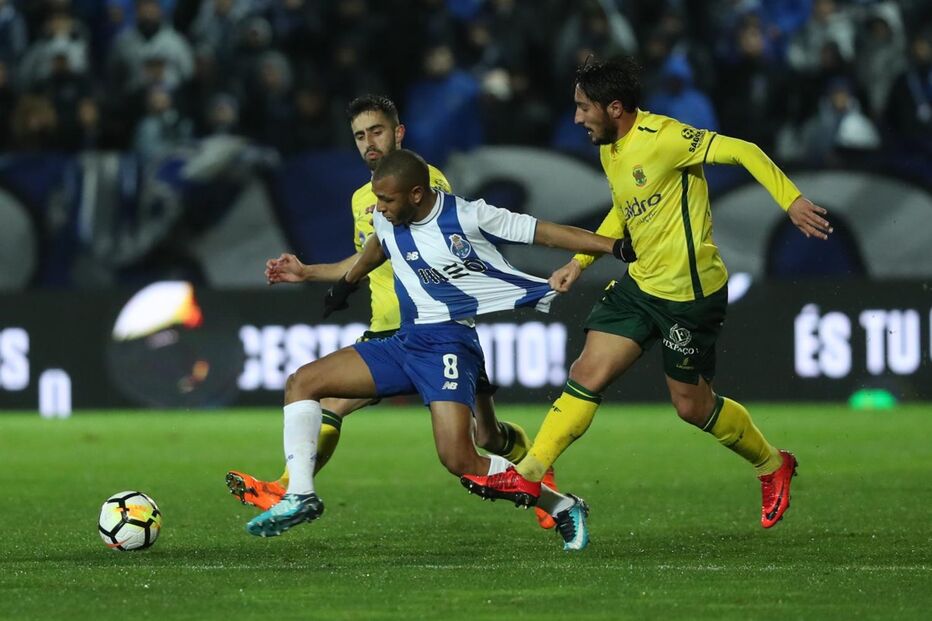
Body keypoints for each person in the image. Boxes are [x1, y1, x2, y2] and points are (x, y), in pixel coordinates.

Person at [462, 56, 833, 531]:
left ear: (614, 107)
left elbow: (744, 151)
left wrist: (792, 200)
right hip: (641, 284)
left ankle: (771, 465)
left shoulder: (667, 139)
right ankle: (530, 475)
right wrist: (580, 261)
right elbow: (625, 209)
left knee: (692, 406)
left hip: (688, 295)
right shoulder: (610, 147)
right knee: (587, 371)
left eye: (582, 107)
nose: (576, 118)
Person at [245, 148, 636, 550]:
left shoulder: (467, 215)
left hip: (448, 344)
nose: (378, 208)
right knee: (302, 382)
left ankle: (562, 506)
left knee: (461, 460)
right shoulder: (387, 215)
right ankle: (301, 496)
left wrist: (613, 247)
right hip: (404, 342)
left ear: (417, 194)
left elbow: (542, 231)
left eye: (387, 199)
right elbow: (378, 245)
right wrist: (343, 284)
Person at [226, 95, 557, 529]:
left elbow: (444, 247)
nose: (369, 143)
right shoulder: (363, 199)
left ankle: (541, 479)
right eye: (360, 136)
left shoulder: (423, 180)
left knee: (484, 438)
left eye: (377, 131)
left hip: (438, 329)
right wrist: (309, 272)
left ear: (398, 133)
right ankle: (293, 488)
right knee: (322, 396)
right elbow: (365, 259)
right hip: (389, 331)